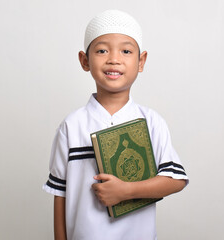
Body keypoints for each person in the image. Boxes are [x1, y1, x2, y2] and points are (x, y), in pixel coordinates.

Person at [43, 9, 189, 240]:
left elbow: (176, 180)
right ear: (84, 60)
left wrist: (126, 191)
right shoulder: (72, 126)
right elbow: (60, 194)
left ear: (141, 61)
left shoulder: (151, 122)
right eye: (101, 50)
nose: (114, 58)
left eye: (126, 51)